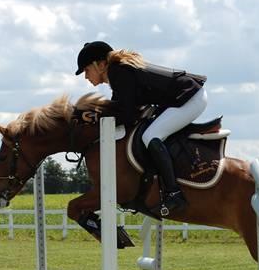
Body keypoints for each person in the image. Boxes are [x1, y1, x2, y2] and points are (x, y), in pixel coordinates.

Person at [75, 41, 208, 216]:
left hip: (189, 99)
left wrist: (96, 117)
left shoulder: (118, 71)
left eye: (86, 70)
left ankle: (173, 193)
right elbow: (119, 108)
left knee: (150, 136)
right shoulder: (118, 70)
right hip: (181, 98)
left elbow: (127, 115)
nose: (86, 76)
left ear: (100, 65)